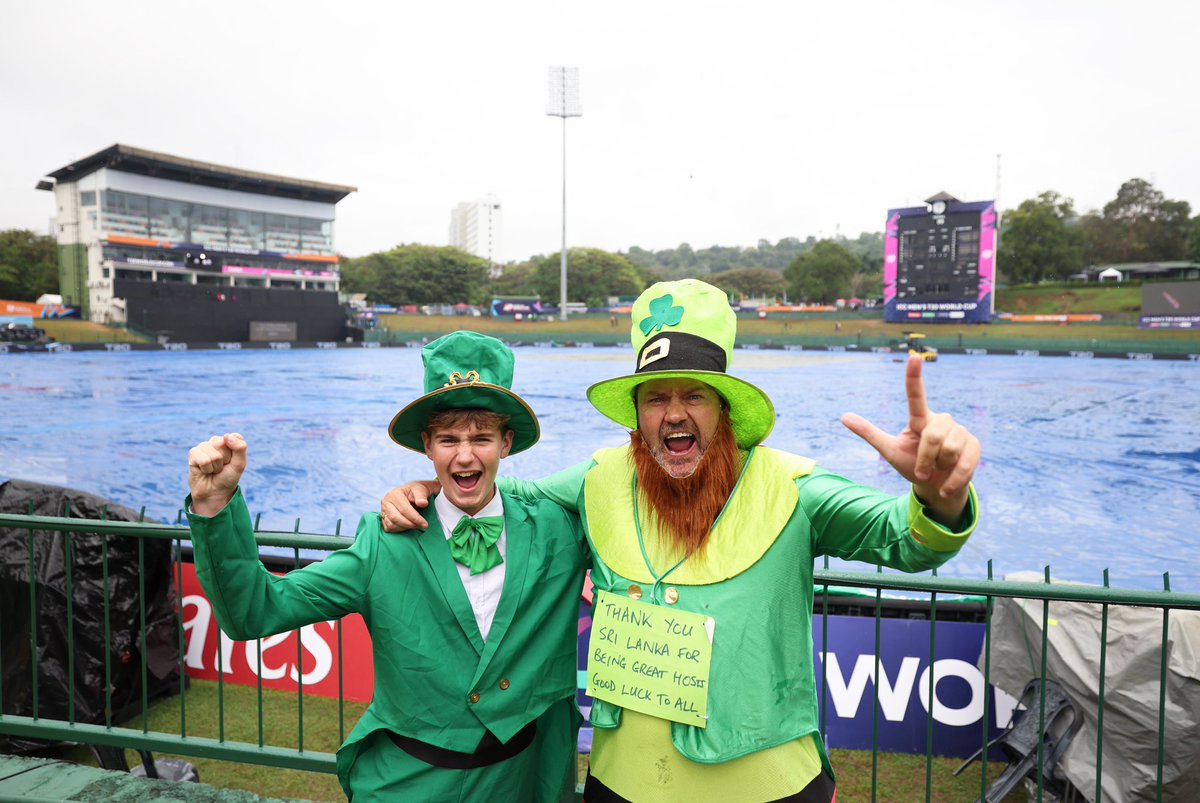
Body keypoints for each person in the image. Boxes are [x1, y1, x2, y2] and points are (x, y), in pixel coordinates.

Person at [381, 279, 981, 803]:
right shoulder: (598, 476)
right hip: (623, 785)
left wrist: (939, 497)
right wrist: (425, 490)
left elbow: (905, 541)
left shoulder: (793, 486)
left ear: (722, 408)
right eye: (655, 397)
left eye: (692, 394)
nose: (673, 414)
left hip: (767, 788)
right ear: (636, 414)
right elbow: (505, 503)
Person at [186, 331, 589, 802]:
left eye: (481, 437)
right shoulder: (382, 542)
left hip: (521, 783)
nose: (464, 455)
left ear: (506, 443)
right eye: (448, 439)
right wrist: (214, 506)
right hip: (407, 785)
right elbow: (255, 611)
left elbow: (627, 479)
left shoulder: (559, 530)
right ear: (426, 446)